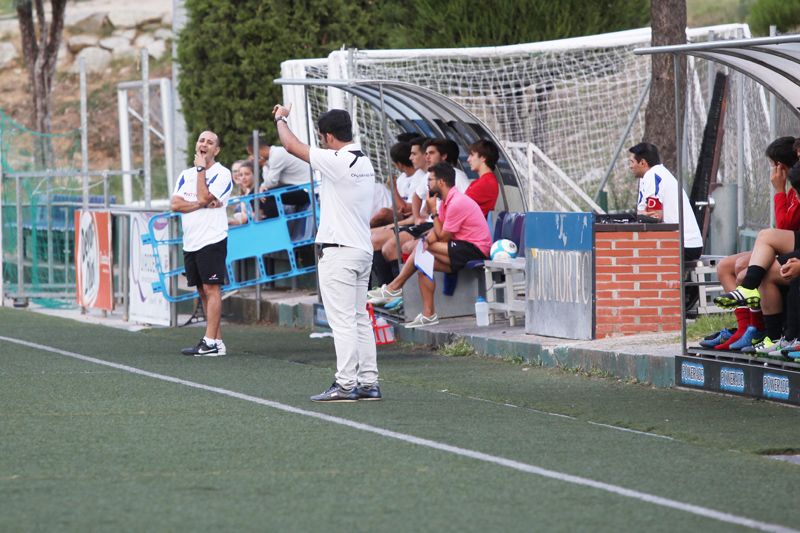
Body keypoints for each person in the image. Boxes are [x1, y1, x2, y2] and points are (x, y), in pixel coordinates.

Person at [273, 103, 380, 402]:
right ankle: (368, 382)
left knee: (343, 321)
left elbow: (291, 145)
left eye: (322, 137)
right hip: (361, 249)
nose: (322, 142)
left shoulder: (337, 159)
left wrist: (281, 118)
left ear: (329, 136)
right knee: (359, 319)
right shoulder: (365, 161)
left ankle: (345, 384)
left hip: (340, 251)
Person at [701, 136, 799, 352]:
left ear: (781, 165)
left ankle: (762, 329)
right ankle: (745, 328)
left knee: (745, 270)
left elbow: (784, 225)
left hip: (791, 247)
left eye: (774, 165)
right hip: (785, 245)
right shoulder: (794, 188)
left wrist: (779, 190)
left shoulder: (793, 189)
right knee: (726, 266)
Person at [368, 163, 492, 327]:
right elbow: (436, 231)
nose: (427, 184)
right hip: (459, 246)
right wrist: (427, 238)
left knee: (423, 248)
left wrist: (432, 212)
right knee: (423, 264)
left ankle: (394, 287)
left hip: (475, 248)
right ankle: (428, 314)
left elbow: (443, 236)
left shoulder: (457, 202)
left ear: (441, 182)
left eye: (431, 180)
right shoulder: (447, 201)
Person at [172, 130, 233, 356]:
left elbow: (206, 197)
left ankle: (209, 341)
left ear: (216, 150)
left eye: (209, 142)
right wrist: (200, 202)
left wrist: (200, 171)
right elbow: (176, 204)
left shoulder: (222, 173)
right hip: (191, 240)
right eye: (201, 140)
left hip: (212, 238)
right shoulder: (184, 175)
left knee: (212, 288)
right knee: (201, 289)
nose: (204, 144)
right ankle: (216, 342)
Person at [628, 142, 703, 261]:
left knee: (632, 255)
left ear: (643, 163)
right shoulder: (650, 175)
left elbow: (655, 215)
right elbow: (644, 212)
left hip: (686, 244)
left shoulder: (653, 175)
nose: (630, 166)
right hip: (682, 242)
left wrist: (638, 216)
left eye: (632, 162)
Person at [247, 136, 312, 219]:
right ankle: (265, 217)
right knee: (254, 193)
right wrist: (264, 165)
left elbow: (271, 182)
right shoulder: (271, 157)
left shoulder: (277, 155)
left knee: (266, 194)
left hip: (305, 190)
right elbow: (267, 181)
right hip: (296, 187)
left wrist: (262, 186)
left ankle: (271, 221)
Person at [464, 139, 500, 219]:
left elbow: (459, 206)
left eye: (472, 155)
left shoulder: (486, 183)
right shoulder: (482, 181)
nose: (468, 159)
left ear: (483, 158)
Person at [229, 161, 255, 226]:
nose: (243, 177)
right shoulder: (240, 192)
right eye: (234, 171)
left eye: (246, 174)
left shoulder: (256, 191)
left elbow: (258, 214)